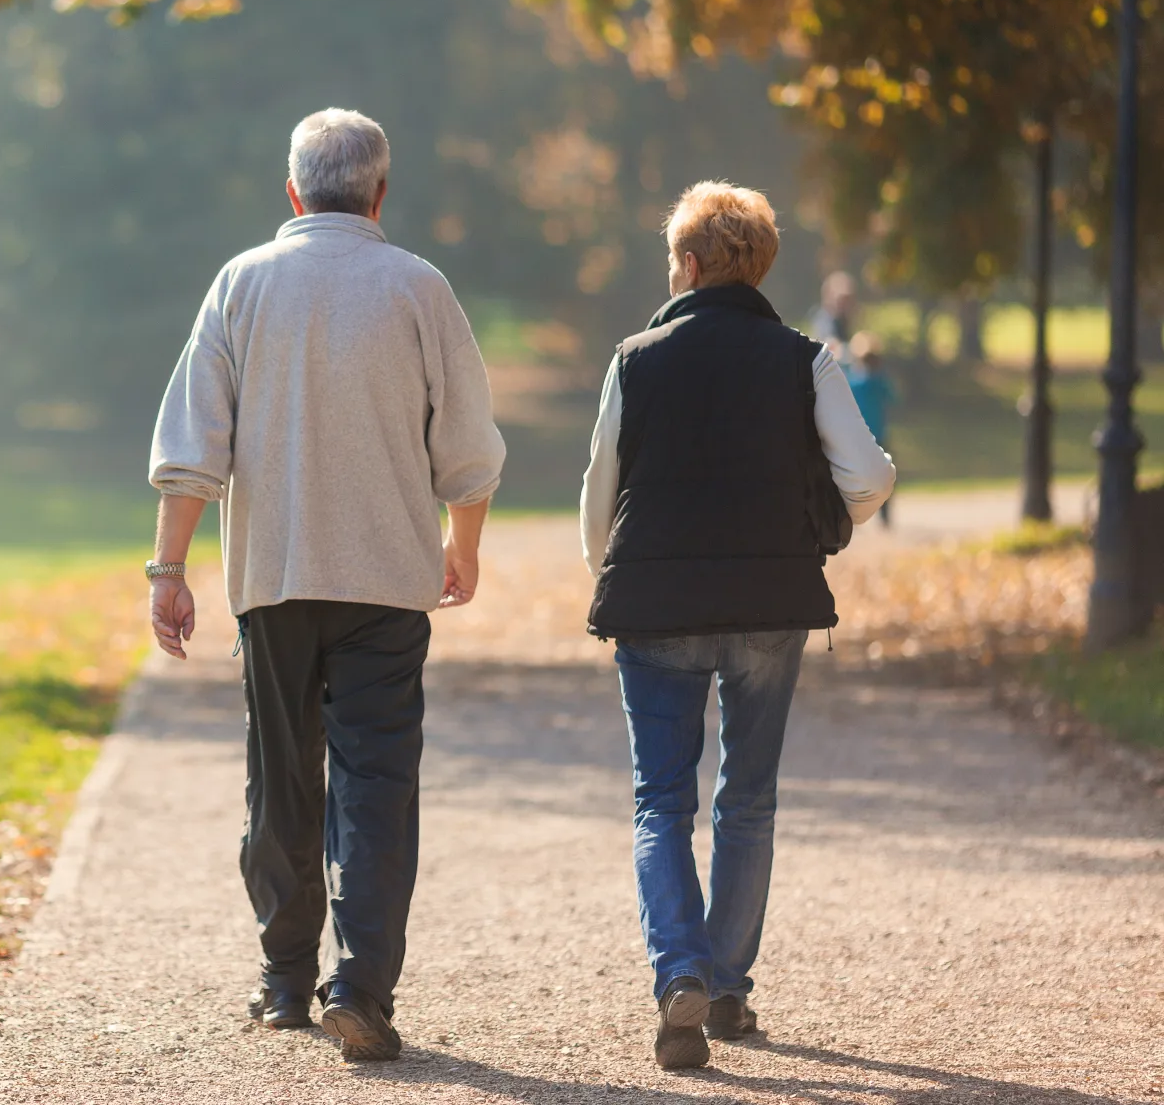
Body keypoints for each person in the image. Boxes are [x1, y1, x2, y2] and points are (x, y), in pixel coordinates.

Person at [147, 108, 507, 1062]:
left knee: (281, 783)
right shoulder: (420, 288)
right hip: (388, 583)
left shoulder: (242, 284)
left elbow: (193, 448)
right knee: (379, 787)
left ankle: (283, 979)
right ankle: (363, 987)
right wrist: (461, 545)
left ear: (294, 192)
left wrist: (170, 568)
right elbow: (468, 449)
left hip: (273, 582)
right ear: (380, 192)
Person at [579, 182, 895, 1071]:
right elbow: (867, 479)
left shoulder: (634, 358)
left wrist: (615, 571)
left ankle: (678, 970)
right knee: (747, 799)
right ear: (760, 265)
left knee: (659, 800)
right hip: (770, 601)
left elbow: (599, 495)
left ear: (684, 263)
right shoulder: (805, 358)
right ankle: (725, 988)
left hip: (655, 606)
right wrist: (827, 518)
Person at [844, 332, 898, 526]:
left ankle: (850, 516)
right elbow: (894, 398)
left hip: (858, 437)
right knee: (884, 476)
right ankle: (885, 518)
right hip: (879, 434)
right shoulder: (879, 381)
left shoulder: (853, 381)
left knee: (853, 477)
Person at [811, 270, 858, 351]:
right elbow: (830, 346)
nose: (847, 303)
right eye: (843, 299)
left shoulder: (843, 320)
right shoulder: (823, 320)